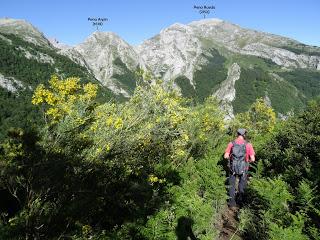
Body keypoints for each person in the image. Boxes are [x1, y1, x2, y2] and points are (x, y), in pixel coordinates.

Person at [224, 128, 255, 208]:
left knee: (232, 185)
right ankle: (240, 203)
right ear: (244, 135)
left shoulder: (231, 143)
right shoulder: (248, 144)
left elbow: (225, 156)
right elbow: (253, 159)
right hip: (244, 168)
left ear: (237, 134)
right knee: (242, 185)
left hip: (232, 168)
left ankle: (231, 203)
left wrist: (232, 160)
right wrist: (247, 162)